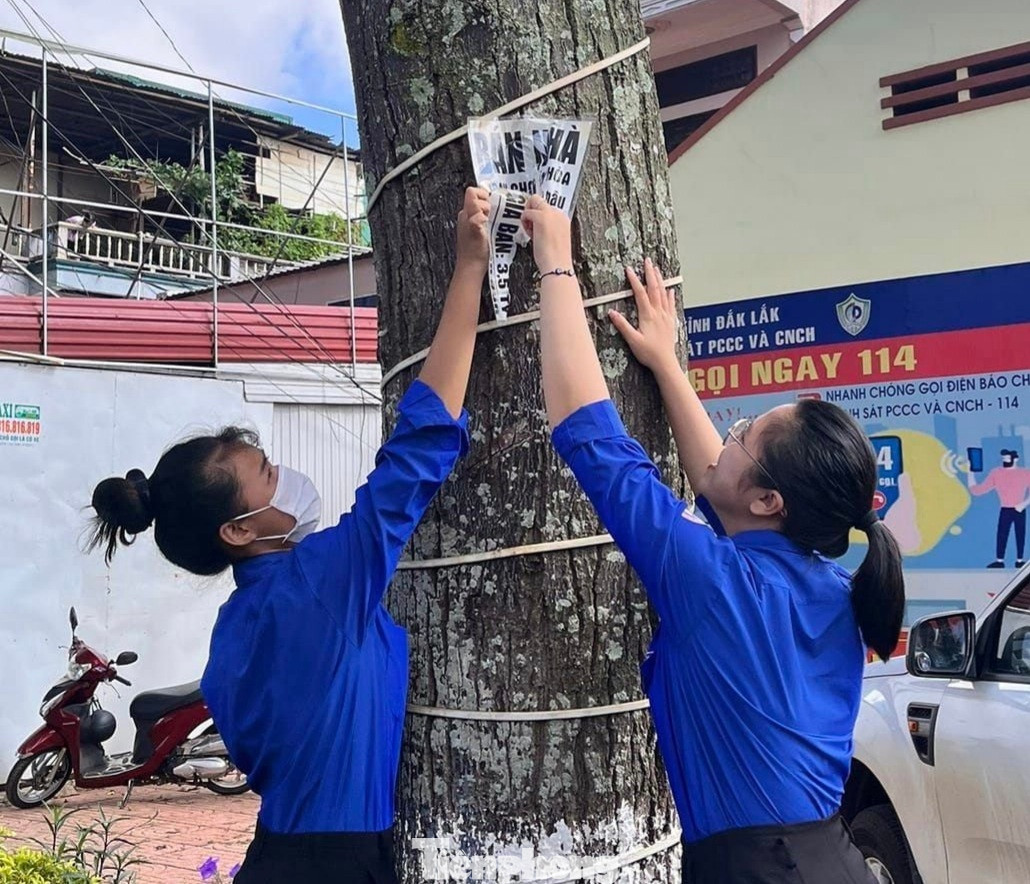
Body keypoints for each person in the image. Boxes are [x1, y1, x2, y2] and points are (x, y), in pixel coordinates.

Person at [86, 187, 492, 884]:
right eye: (269, 475)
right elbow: (417, 449)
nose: (288, 478)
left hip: (279, 854)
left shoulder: (234, 629)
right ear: (239, 530)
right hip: (338, 865)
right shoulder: (321, 583)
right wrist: (469, 270)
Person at [521, 194, 905, 884]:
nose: (726, 435)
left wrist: (554, 264)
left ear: (769, 500)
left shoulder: (715, 581)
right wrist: (667, 366)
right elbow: (722, 482)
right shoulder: (827, 586)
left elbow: (591, 435)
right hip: (829, 861)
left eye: (742, 434)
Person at [967, 449, 1030, 569]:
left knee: (1020, 534)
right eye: (1003, 459)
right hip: (1005, 508)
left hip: (1020, 509)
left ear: (1015, 459)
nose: (1005, 461)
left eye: (1007, 458)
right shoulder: (996, 473)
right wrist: (970, 473)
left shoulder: (1025, 473)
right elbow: (977, 490)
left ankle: (1020, 560)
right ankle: (1000, 560)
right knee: (1002, 534)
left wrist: (1024, 504)